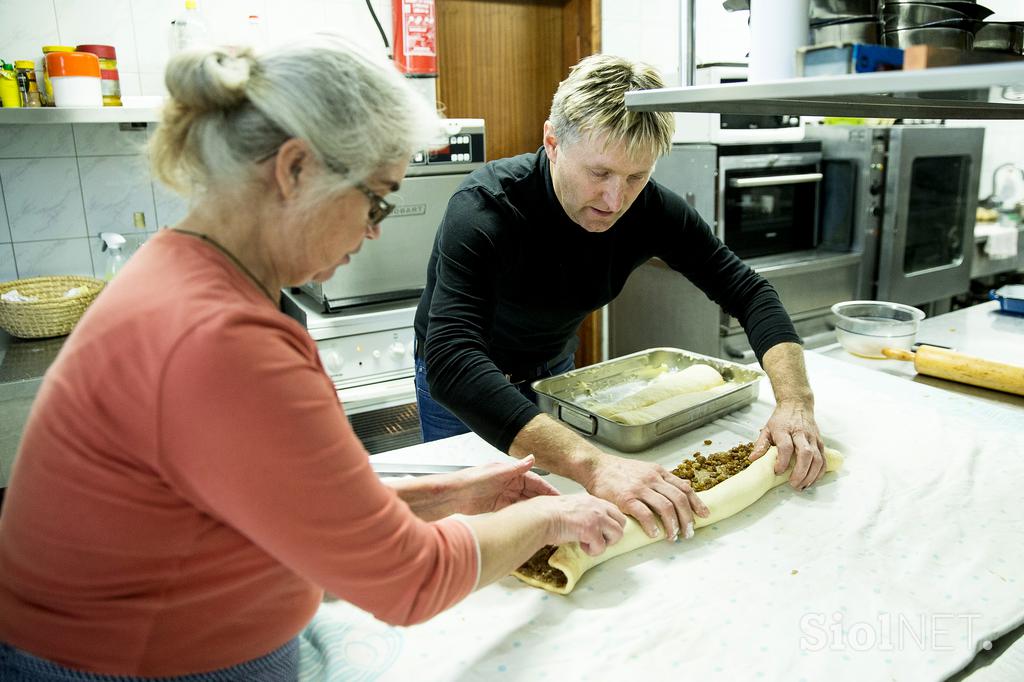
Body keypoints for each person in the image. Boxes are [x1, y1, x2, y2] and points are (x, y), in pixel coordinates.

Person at [0, 36, 627, 681]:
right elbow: (409, 580)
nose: (376, 227)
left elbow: (305, 506)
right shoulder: (221, 340)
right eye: (375, 199)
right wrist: (551, 515)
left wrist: (457, 496)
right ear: (294, 169)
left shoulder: (183, 270)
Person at [414, 53, 827, 546]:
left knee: (562, 522)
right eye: (600, 173)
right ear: (552, 141)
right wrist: (595, 465)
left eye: (636, 177)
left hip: (553, 374)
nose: (615, 200)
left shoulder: (650, 209)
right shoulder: (485, 209)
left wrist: (796, 402)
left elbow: (747, 290)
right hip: (463, 383)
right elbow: (452, 360)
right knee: (468, 535)